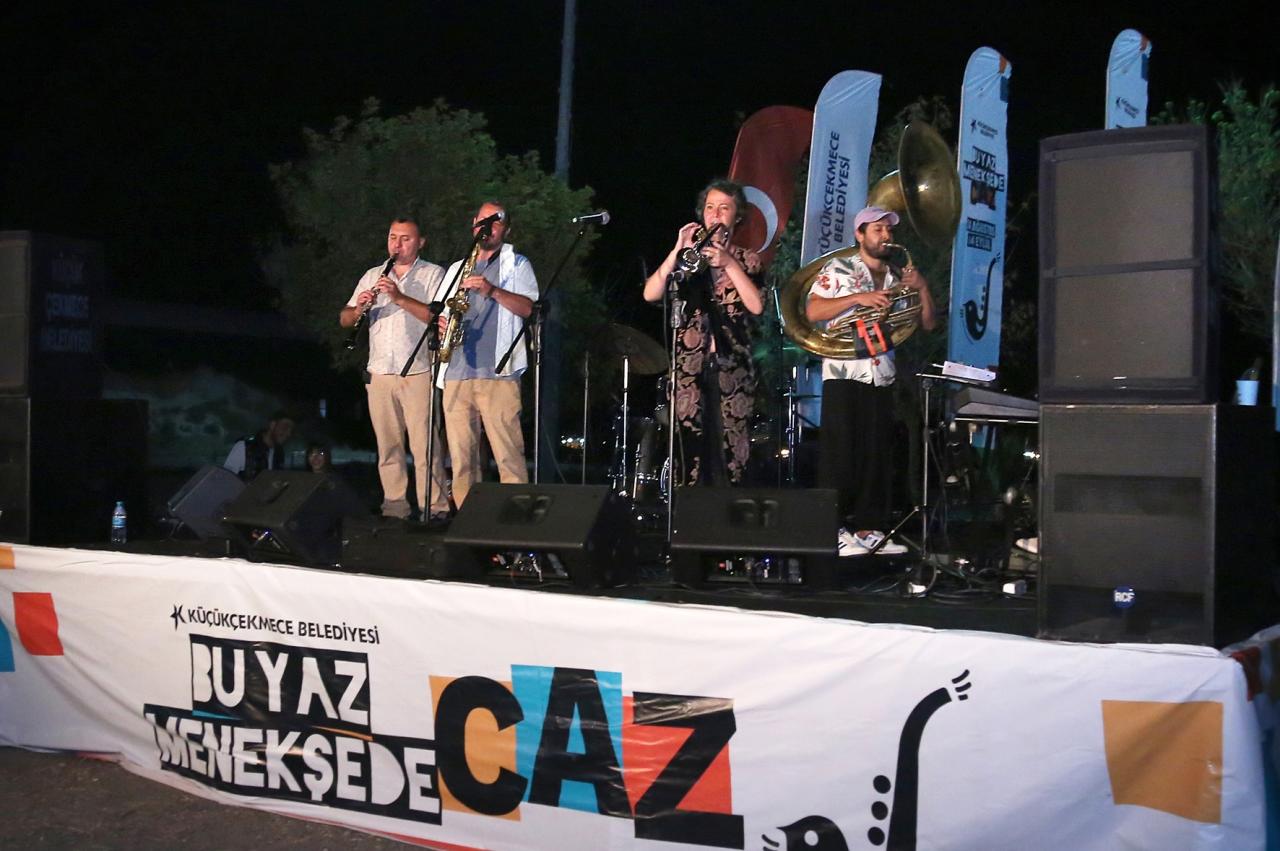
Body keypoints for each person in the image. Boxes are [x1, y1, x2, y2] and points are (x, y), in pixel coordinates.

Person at [806, 206, 937, 557]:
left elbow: (927, 323)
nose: (885, 235)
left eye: (888, 230)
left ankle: (869, 530)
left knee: (876, 457)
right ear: (859, 235)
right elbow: (813, 310)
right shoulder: (839, 268)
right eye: (877, 229)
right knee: (839, 455)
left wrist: (922, 288)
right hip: (845, 371)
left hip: (881, 374)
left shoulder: (897, 278)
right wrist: (858, 298)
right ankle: (830, 531)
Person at [642, 178, 764, 485]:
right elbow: (650, 293)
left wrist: (729, 263)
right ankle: (689, 509)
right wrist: (677, 249)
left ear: (737, 216)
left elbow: (756, 305)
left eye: (724, 208)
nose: (715, 214)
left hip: (732, 365)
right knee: (689, 449)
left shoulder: (747, 259)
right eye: (710, 207)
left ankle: (730, 509)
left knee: (730, 449)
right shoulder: (688, 261)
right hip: (689, 368)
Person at [340, 217, 451, 521]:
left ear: (420, 242)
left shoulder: (433, 274)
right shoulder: (373, 275)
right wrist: (360, 307)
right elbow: (345, 319)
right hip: (380, 372)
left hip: (417, 371)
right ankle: (394, 507)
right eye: (392, 238)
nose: (397, 245)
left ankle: (435, 508)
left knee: (425, 446)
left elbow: (438, 318)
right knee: (388, 447)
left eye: (405, 238)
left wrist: (399, 297)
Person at [437, 201, 537, 507]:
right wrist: (441, 325)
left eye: (496, 222)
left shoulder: (517, 264)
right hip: (457, 372)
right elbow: (441, 311)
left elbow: (528, 308)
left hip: (499, 373)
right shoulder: (457, 268)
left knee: (508, 455)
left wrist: (491, 290)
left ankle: (517, 519)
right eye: (483, 221)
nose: (488, 227)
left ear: (506, 229)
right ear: (473, 225)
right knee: (461, 460)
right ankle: (467, 517)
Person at [223, 412, 294, 480]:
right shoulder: (245, 446)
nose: (288, 434)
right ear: (272, 425)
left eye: (291, 430)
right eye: (285, 427)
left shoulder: (279, 453)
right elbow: (226, 479)